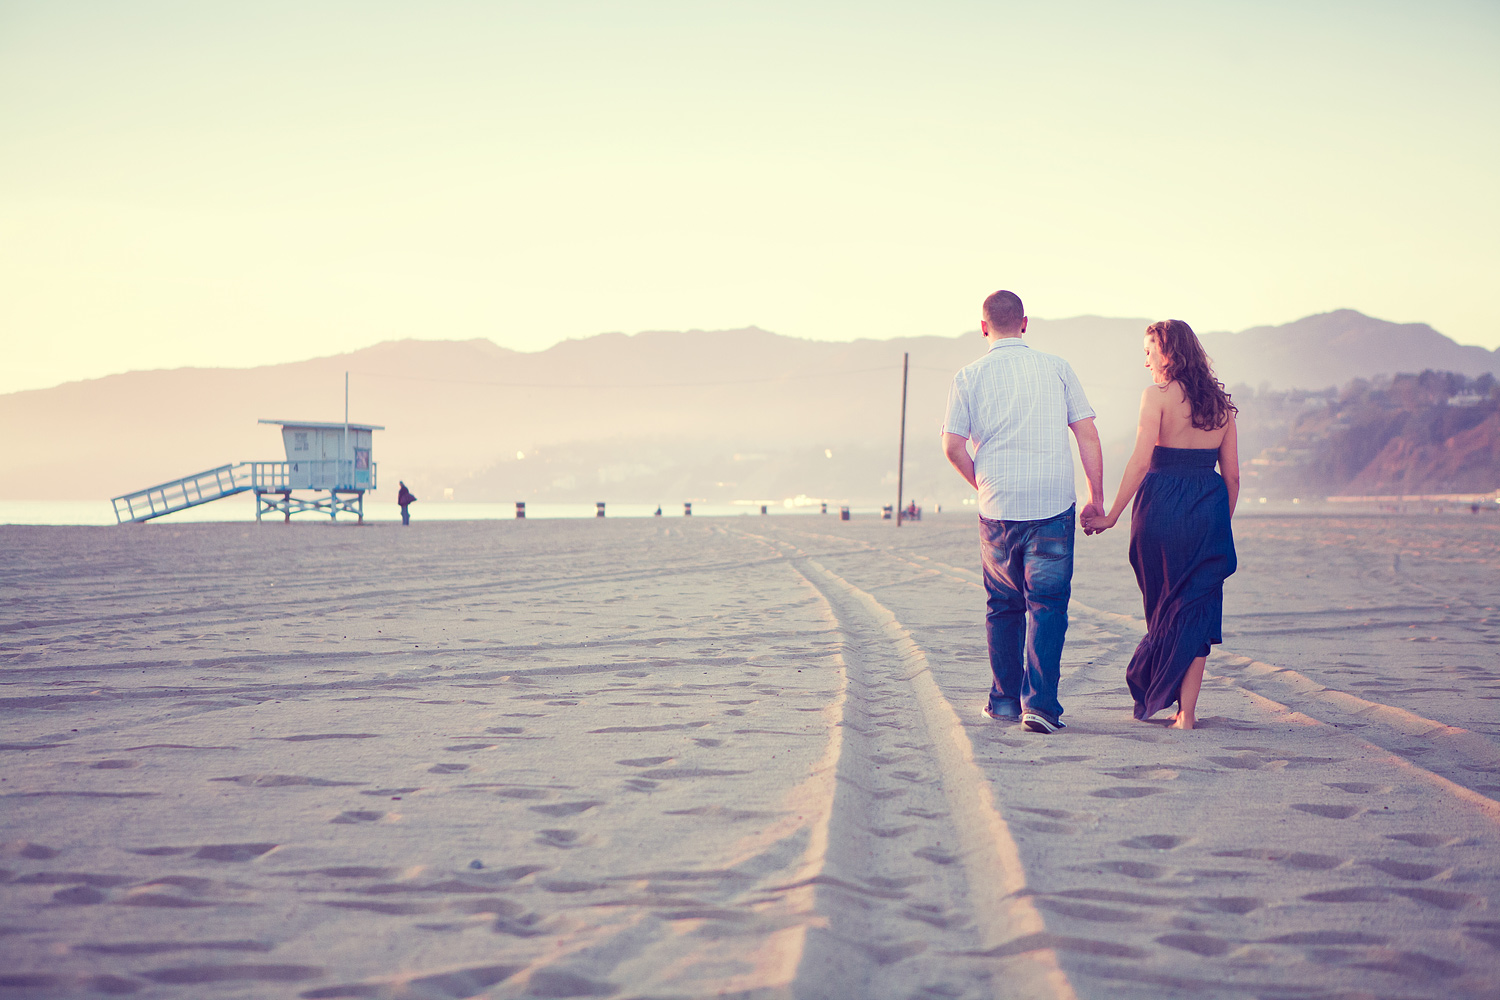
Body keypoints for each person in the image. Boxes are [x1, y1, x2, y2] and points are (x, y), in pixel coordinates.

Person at [943, 290, 1105, 734]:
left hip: (998, 505)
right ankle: (1041, 707)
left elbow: (952, 446)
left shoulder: (968, 376)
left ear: (982, 327)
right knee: (1048, 606)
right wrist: (1097, 497)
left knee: (1003, 605)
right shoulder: (1057, 367)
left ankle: (1004, 704)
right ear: (1025, 323)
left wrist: (983, 483)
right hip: (1053, 502)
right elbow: (1087, 436)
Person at [1085, 320, 1239, 730]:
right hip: (1207, 510)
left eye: (1150, 351)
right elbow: (1234, 478)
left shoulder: (1155, 396)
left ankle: (1158, 684)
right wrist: (1218, 525)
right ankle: (1186, 714)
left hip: (1161, 510)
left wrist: (1112, 514)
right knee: (1197, 608)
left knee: (1164, 605)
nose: (1146, 360)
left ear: (1169, 353)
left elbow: (1139, 460)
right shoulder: (1221, 407)